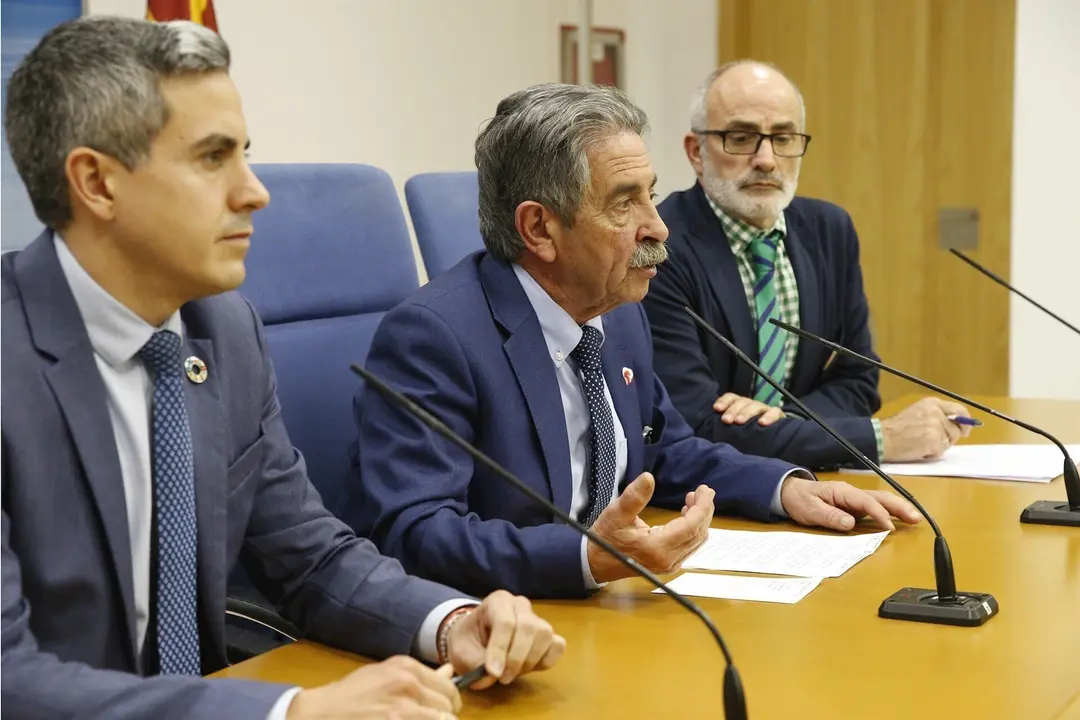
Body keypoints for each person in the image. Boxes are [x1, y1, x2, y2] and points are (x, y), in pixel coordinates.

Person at [1, 17, 563, 720]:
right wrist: (288, 713)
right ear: (97, 183)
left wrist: (450, 622)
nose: (254, 191)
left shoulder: (222, 328)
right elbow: (8, 678)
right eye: (212, 158)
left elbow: (310, 556)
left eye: (245, 154)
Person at [345, 83, 921, 601]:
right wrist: (585, 558)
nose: (658, 225)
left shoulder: (616, 312)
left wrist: (785, 488)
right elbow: (412, 532)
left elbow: (664, 450)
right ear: (539, 229)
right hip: (509, 622)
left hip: (607, 607)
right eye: (625, 202)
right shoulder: (435, 336)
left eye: (651, 193)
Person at [642, 60, 973, 470]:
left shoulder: (829, 230)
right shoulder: (660, 245)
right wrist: (879, 439)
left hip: (815, 482)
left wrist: (784, 423)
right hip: (706, 496)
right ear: (696, 152)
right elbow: (695, 424)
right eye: (741, 137)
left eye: (783, 138)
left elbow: (858, 380)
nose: (766, 159)